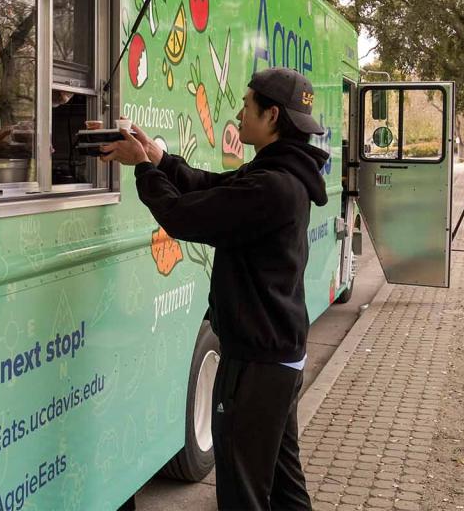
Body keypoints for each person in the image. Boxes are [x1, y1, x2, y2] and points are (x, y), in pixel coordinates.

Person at [102, 67, 329, 510]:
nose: (239, 113)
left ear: (272, 116)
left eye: (247, 105)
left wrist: (144, 169)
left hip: (257, 363)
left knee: (243, 492)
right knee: (284, 483)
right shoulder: (280, 172)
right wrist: (160, 158)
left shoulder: (271, 186)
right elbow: (214, 186)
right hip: (278, 354)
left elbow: (184, 216)